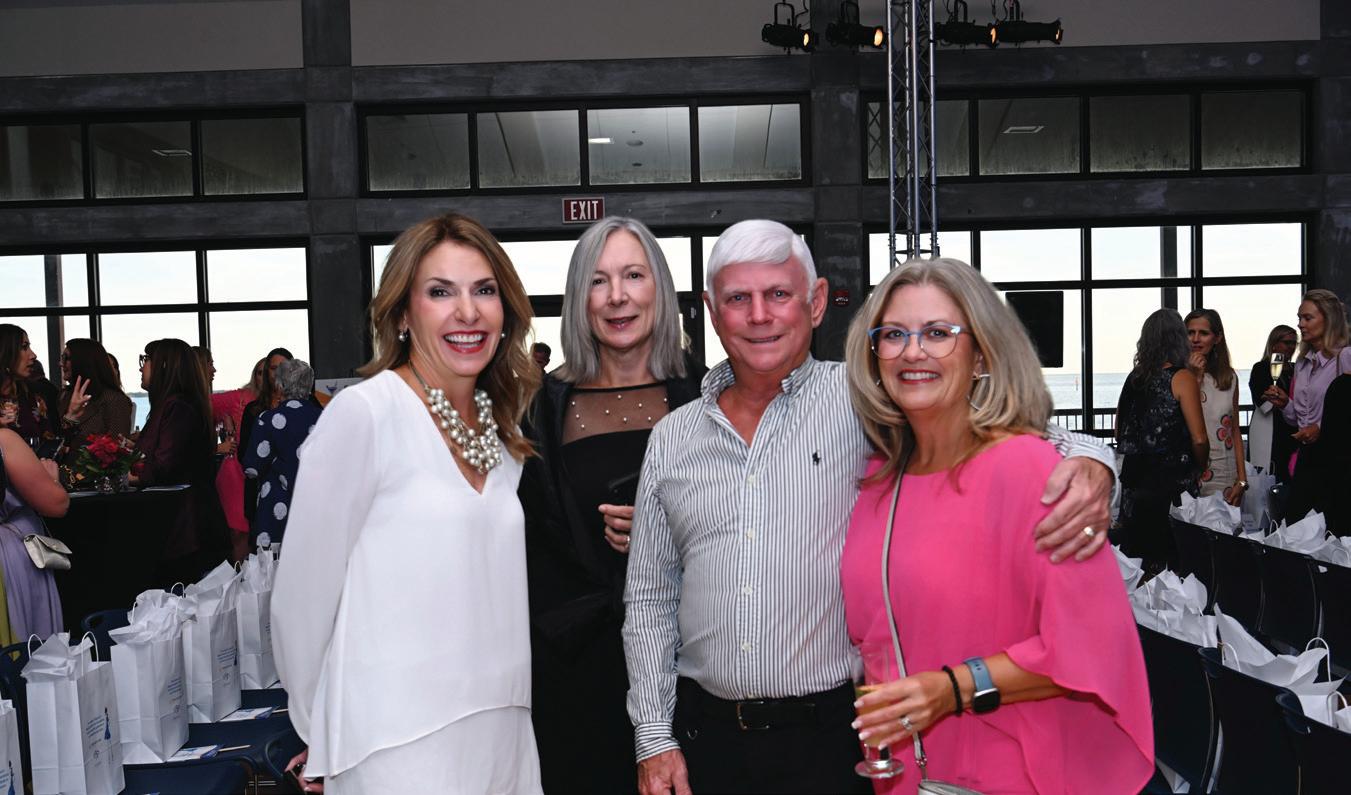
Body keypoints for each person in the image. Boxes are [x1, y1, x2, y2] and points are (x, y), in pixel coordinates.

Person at [622, 220, 1116, 795]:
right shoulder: (673, 438)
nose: (759, 315)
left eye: (778, 294)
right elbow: (651, 596)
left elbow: (1004, 431)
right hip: (706, 740)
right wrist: (653, 736)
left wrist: (1096, 464)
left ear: (815, 303)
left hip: (837, 738)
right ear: (711, 311)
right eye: (738, 299)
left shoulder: (865, 400)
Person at [842, 257, 1153, 793]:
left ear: (981, 354)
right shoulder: (878, 481)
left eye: (938, 333)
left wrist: (954, 688)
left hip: (1008, 770)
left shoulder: (1027, 470)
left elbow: (1093, 647)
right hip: (906, 768)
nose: (913, 351)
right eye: (893, 334)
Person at [272, 212, 544, 794]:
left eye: (484, 290)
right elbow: (301, 600)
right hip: (393, 743)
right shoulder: (365, 415)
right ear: (401, 314)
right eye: (440, 292)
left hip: (502, 731)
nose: (467, 312)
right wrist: (319, 729)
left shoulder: (503, 436)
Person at [518, 216, 705, 793]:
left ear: (660, 289)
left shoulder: (707, 396)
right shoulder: (540, 409)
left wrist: (668, 531)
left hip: (690, 670)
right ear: (580, 298)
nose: (617, 296)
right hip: (576, 674)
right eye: (599, 281)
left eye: (634, 276)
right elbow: (525, 543)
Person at [1114, 310, 1208, 568]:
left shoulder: (1134, 378)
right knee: (1173, 562)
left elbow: (1119, 431)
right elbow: (1199, 438)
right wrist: (1200, 466)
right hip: (1170, 483)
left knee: (1137, 562)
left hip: (1135, 482)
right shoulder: (1182, 377)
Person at [133, 339, 230, 582]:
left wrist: (130, 475)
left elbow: (164, 466)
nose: (141, 367)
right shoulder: (175, 405)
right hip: (183, 524)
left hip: (185, 528)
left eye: (146, 360)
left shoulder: (178, 407)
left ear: (164, 366)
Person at [1268, 288, 1351, 522]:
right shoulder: (1302, 363)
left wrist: (1320, 428)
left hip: (1336, 460)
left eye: (1307, 318)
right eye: (1299, 318)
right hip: (1307, 458)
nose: (1300, 324)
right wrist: (1285, 403)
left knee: (1332, 527)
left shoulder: (1345, 357)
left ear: (1329, 319)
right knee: (1294, 526)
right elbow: (1298, 419)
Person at [241, 359, 322, 547]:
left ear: (279, 385)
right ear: (309, 386)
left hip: (276, 505)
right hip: (315, 504)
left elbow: (252, 467)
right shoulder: (325, 418)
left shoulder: (267, 419)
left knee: (274, 560)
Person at [0, 425, 67, 646]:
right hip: (9, 559)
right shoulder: (4, 439)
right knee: (28, 648)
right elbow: (56, 504)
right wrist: (52, 479)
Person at [1184, 309, 1246, 505]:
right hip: (1190, 472)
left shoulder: (1229, 377)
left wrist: (1242, 479)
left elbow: (1234, 430)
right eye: (1190, 332)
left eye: (1203, 333)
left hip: (1225, 473)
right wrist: (1195, 377)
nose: (1195, 339)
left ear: (1217, 338)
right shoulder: (1178, 376)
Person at [239, 347, 292, 530]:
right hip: (260, 491)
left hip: (297, 492)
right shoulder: (253, 410)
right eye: (273, 368)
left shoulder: (307, 404)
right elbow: (243, 453)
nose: (278, 373)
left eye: (283, 367)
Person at [56, 338, 135, 461]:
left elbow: (118, 451)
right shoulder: (64, 395)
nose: (61, 364)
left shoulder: (114, 400)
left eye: (65, 358)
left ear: (82, 362)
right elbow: (56, 438)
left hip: (92, 472)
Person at [1248, 325, 1299, 483]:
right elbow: (1261, 400)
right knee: (1267, 478)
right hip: (1271, 430)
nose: (1291, 347)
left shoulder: (1296, 369)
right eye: (1287, 342)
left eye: (1294, 343)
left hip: (1293, 429)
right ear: (1274, 344)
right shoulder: (1262, 368)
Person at [0, 324, 57, 444]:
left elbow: (50, 445)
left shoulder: (32, 395)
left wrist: (71, 417)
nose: (33, 355)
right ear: (5, 353)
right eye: (24, 347)